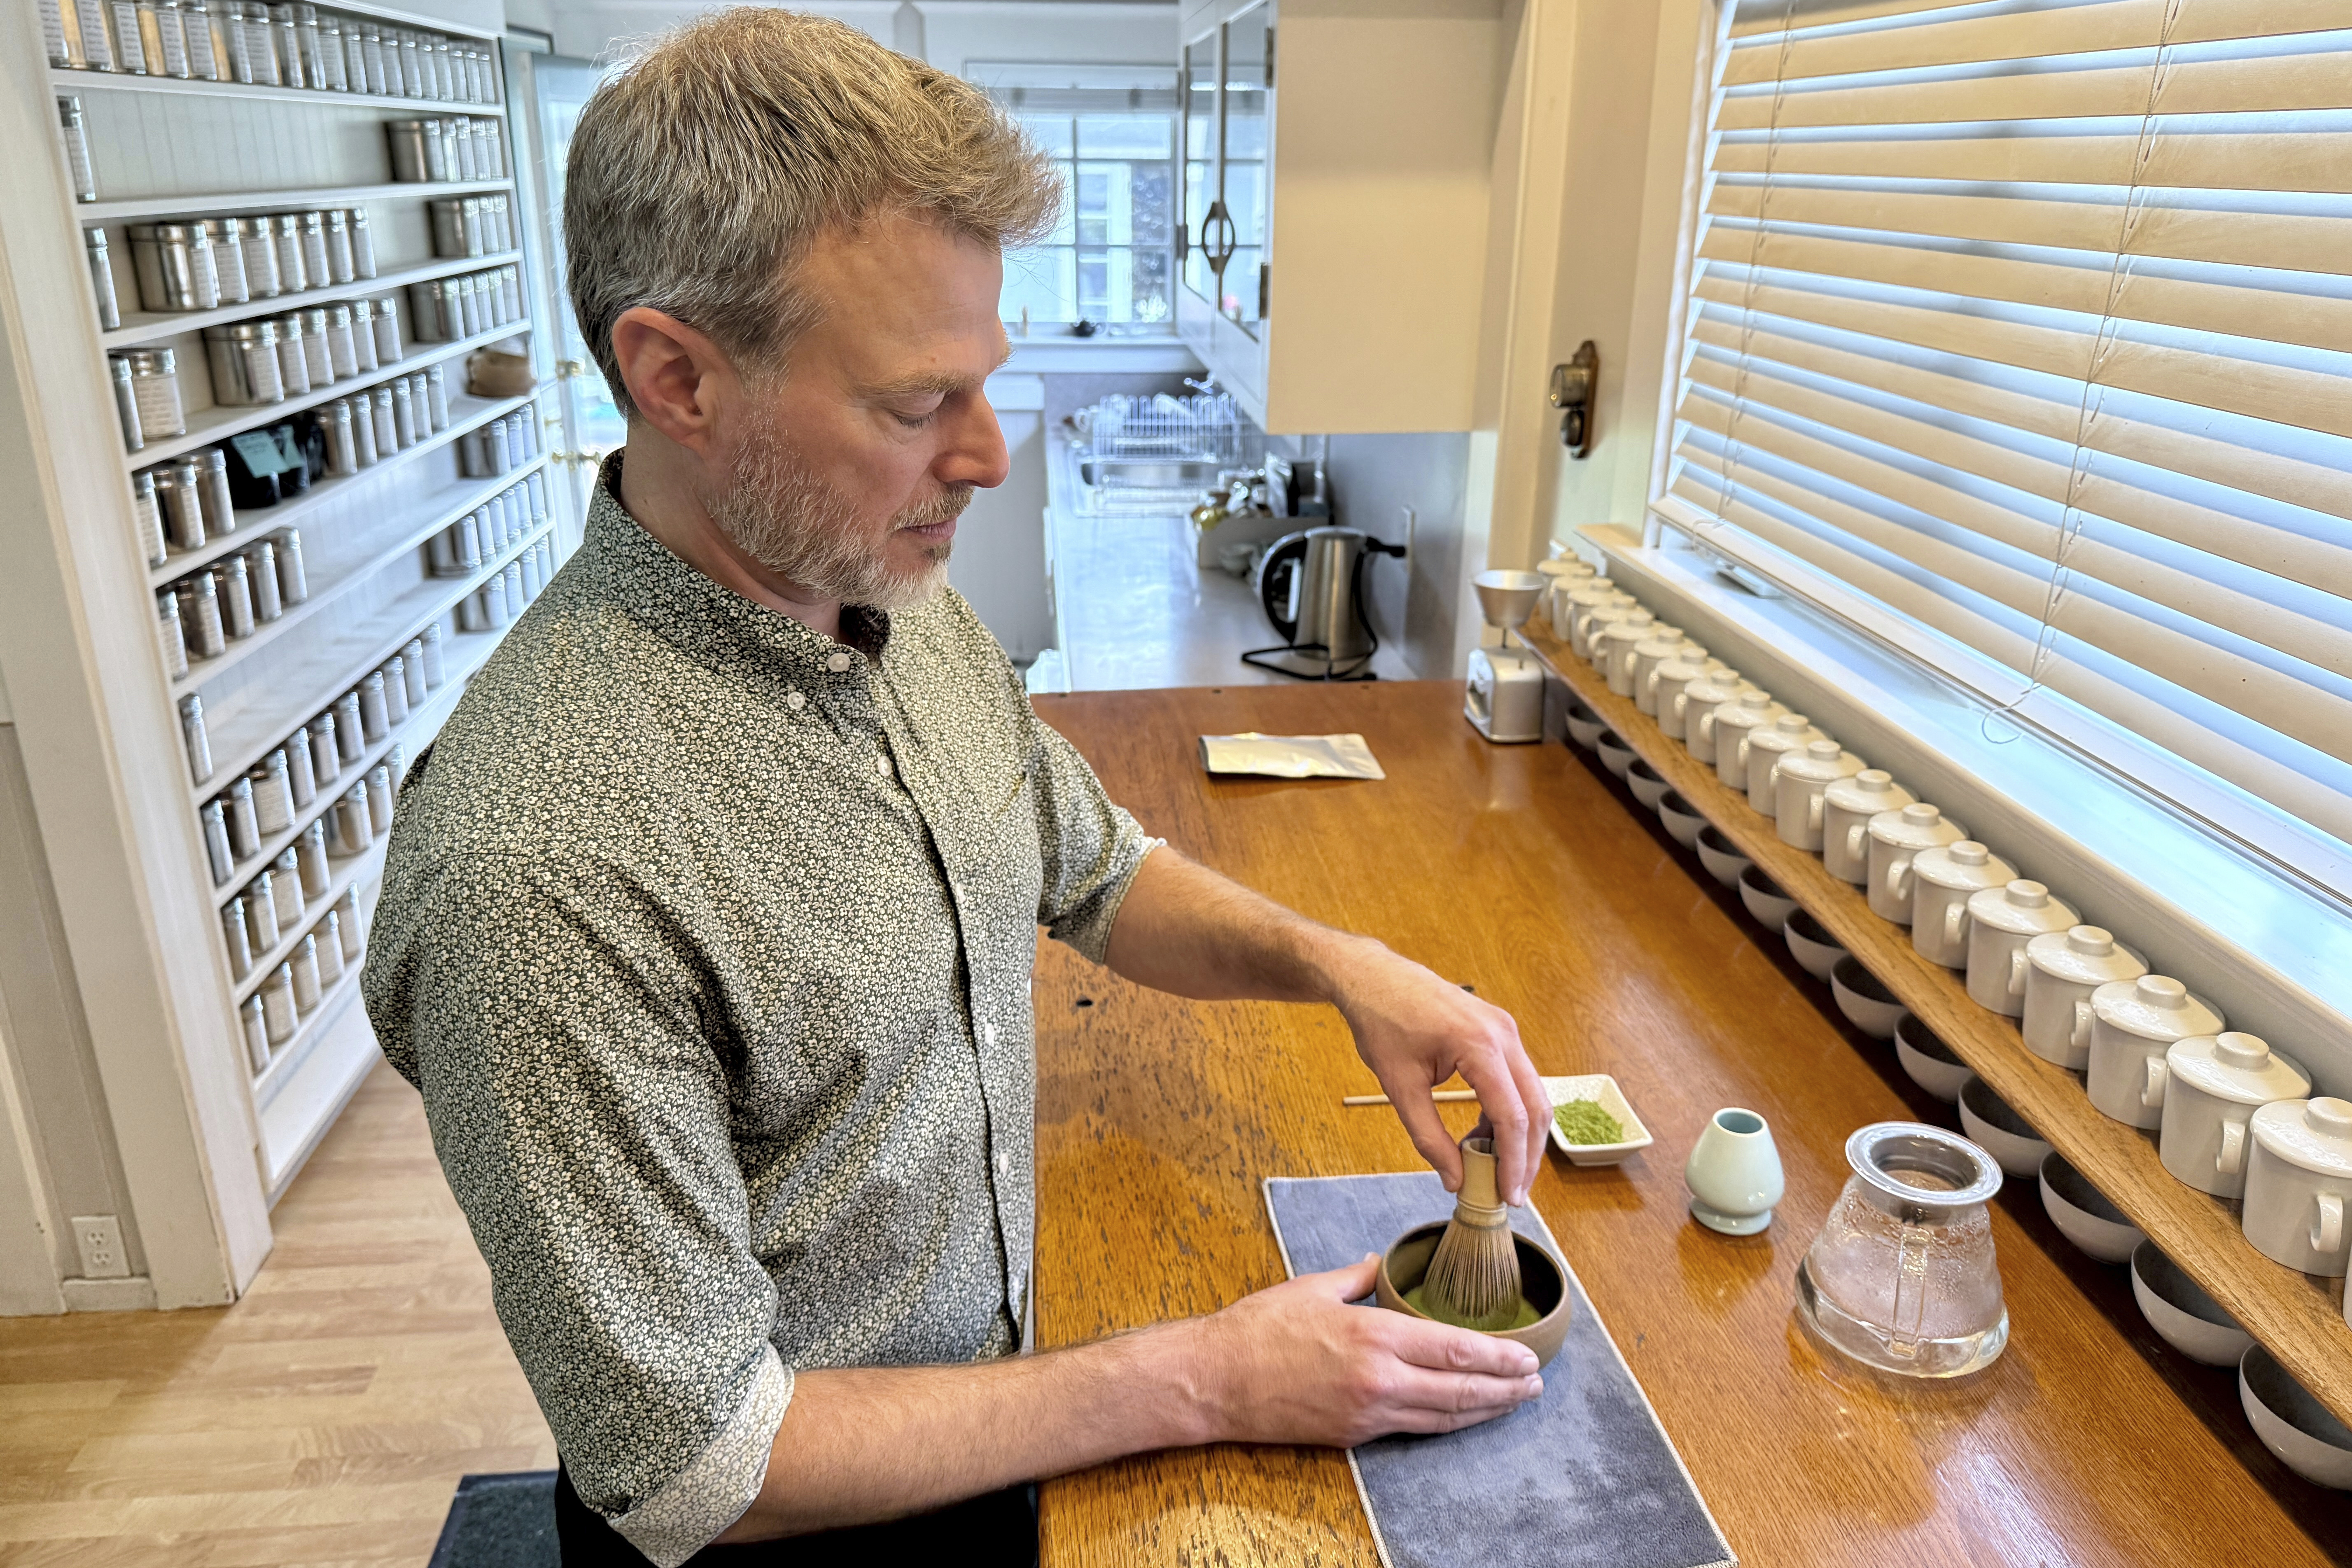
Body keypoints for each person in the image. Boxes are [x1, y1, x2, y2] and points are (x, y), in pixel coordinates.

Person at [362, 11, 1550, 1566]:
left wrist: (1343, 968)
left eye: (984, 382)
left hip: (1030, 1415)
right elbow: (700, 1465)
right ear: (676, 378)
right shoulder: (541, 869)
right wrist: (1205, 1376)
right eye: (919, 403)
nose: (989, 454)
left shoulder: (874, 589)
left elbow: (1087, 863)